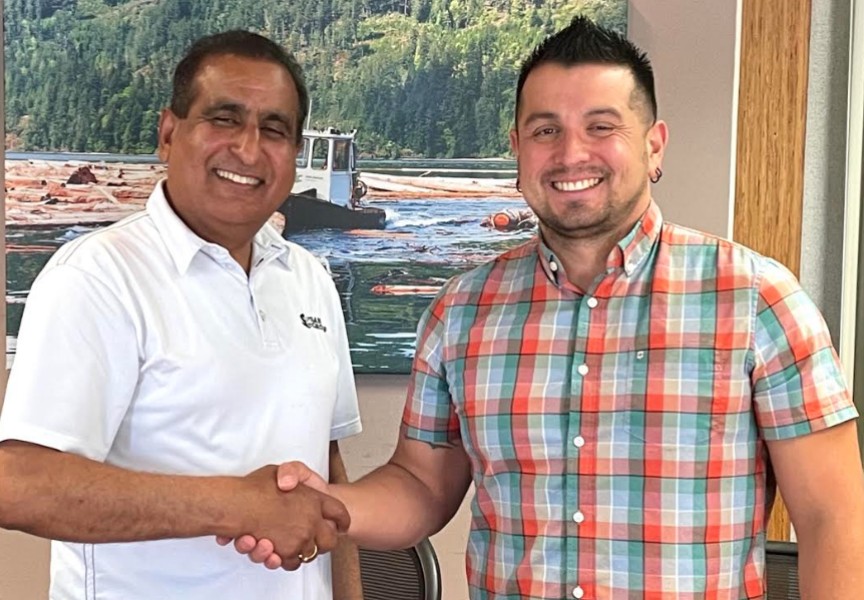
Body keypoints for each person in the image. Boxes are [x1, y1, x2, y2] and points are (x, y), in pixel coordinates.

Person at [233, 16, 864, 599]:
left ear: (654, 145)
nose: (570, 153)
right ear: (517, 149)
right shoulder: (462, 311)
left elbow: (832, 518)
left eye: (602, 126)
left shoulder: (757, 300)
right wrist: (328, 507)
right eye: (545, 130)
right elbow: (422, 485)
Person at [0, 31, 363, 599]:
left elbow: (329, 470)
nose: (248, 149)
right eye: (224, 119)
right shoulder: (98, 277)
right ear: (169, 133)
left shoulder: (310, 280)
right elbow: (19, 483)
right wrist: (234, 505)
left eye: (274, 129)